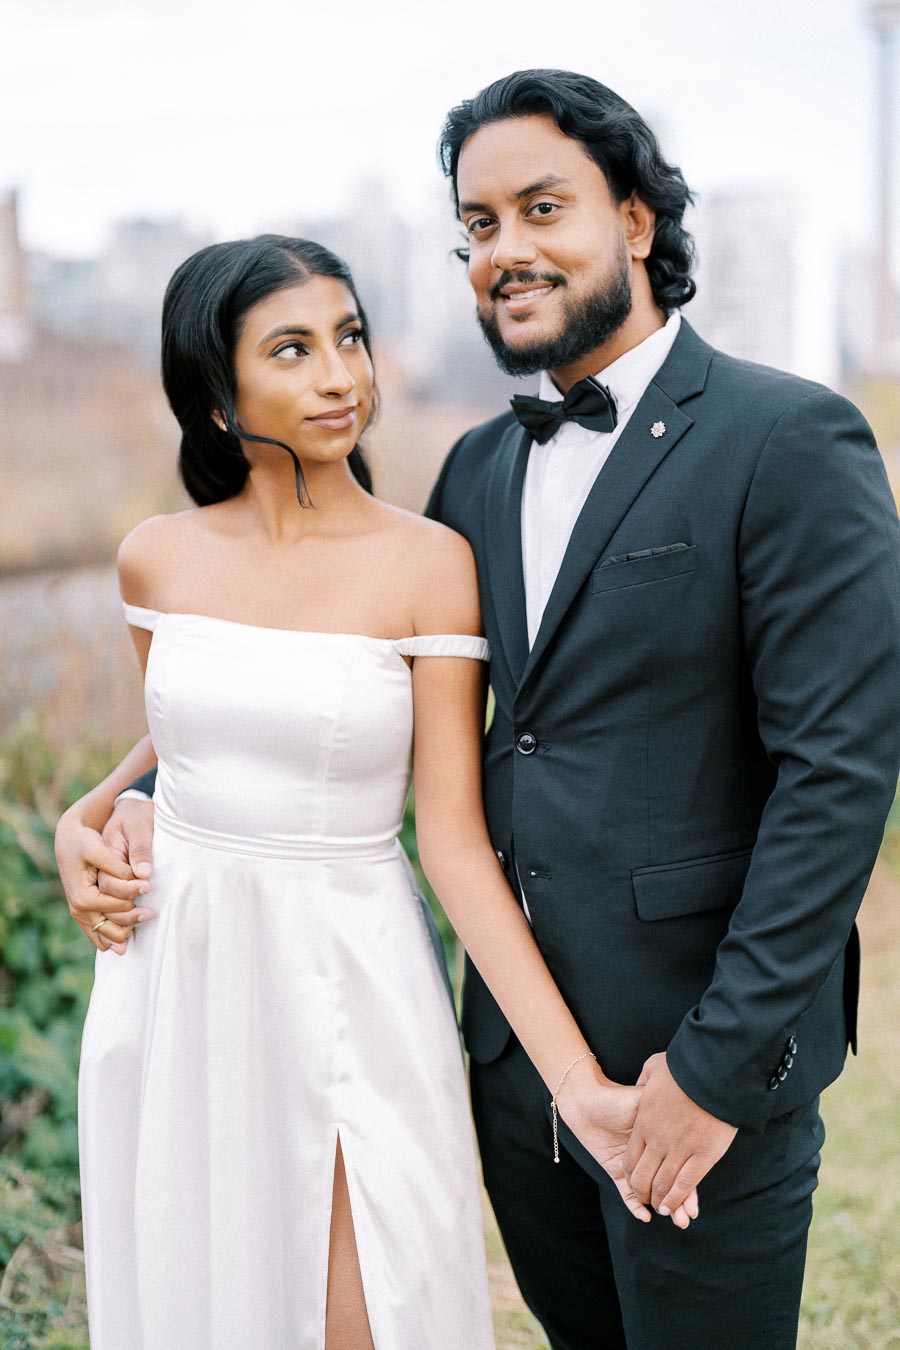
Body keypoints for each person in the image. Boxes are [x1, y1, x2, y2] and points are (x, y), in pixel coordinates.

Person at [58, 70, 900, 1348]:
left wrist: (714, 1072)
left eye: (542, 208)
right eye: (479, 224)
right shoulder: (479, 468)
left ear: (634, 218)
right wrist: (128, 803)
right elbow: (332, 685)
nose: (506, 249)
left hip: (697, 1066)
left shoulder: (789, 438)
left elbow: (836, 778)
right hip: (509, 1063)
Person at [54, 233, 696, 1350]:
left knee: (367, 1308)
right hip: (177, 969)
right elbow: (189, 740)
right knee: (197, 1290)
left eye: (348, 337)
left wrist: (580, 1088)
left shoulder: (428, 565)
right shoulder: (155, 557)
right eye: (292, 349)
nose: (341, 375)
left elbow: (452, 841)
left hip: (347, 967)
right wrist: (88, 812)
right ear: (215, 393)